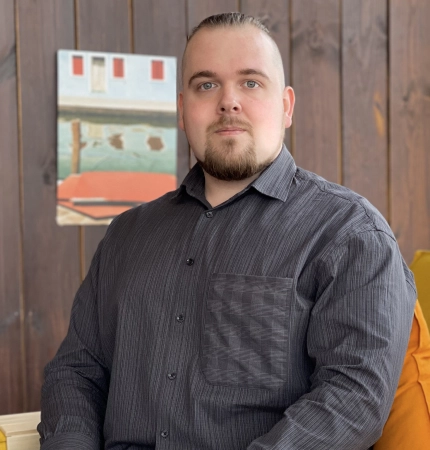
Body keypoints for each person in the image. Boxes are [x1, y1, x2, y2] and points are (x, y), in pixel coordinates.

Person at [38, 12, 416, 450]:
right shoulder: (126, 235)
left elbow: (353, 399)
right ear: (183, 111)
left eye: (251, 82)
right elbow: (76, 372)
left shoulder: (350, 235)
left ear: (286, 106)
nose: (228, 102)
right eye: (206, 85)